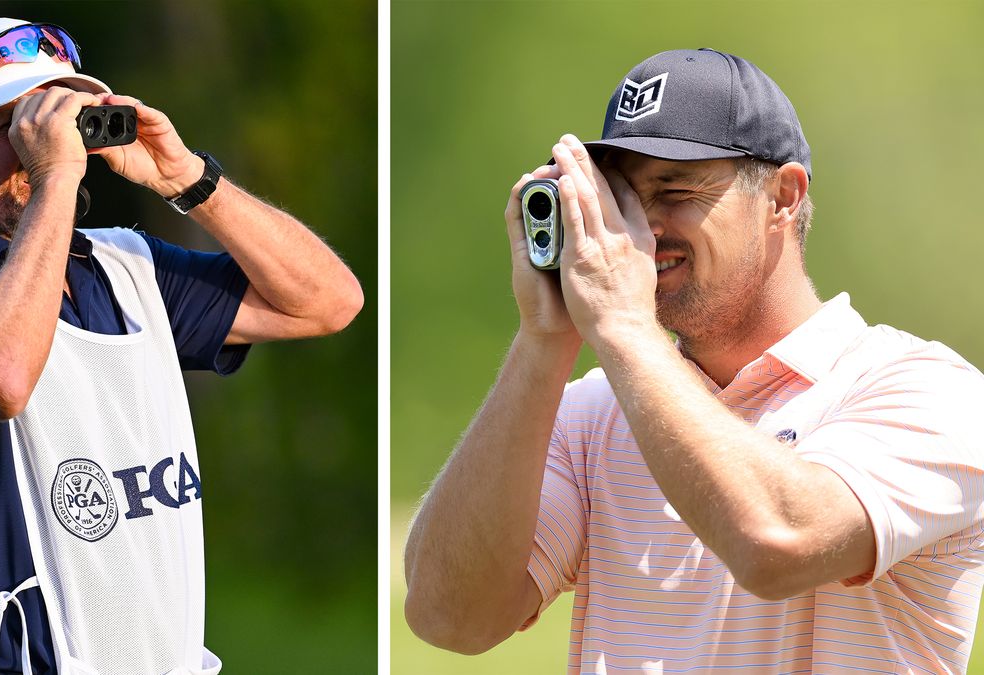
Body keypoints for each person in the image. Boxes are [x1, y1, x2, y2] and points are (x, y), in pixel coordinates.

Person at [404, 48, 984, 673]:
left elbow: (776, 544)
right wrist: (542, 343)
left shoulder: (930, 389)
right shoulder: (595, 412)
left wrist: (624, 325)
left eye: (675, 190)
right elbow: (449, 616)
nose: (642, 230)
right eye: (623, 199)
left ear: (783, 197)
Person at [0, 17, 362, 675]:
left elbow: (327, 301)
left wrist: (188, 180)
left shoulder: (123, 266)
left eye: (58, 116)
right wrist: (55, 178)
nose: (41, 143)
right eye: (13, 125)